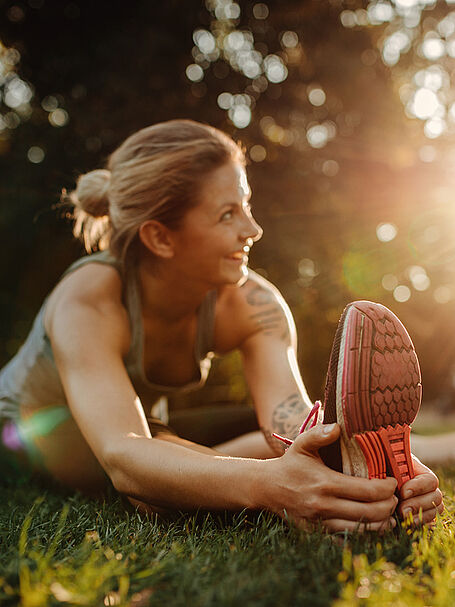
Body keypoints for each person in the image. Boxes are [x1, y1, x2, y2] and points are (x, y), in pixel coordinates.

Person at [0, 120, 443, 531]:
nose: (253, 228)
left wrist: (362, 453)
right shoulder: (90, 298)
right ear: (160, 237)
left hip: (147, 429)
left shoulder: (252, 301)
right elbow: (123, 453)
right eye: (226, 214)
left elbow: (286, 417)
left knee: (258, 440)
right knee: (154, 483)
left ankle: (433, 449)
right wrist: (269, 485)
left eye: (245, 205)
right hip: (31, 438)